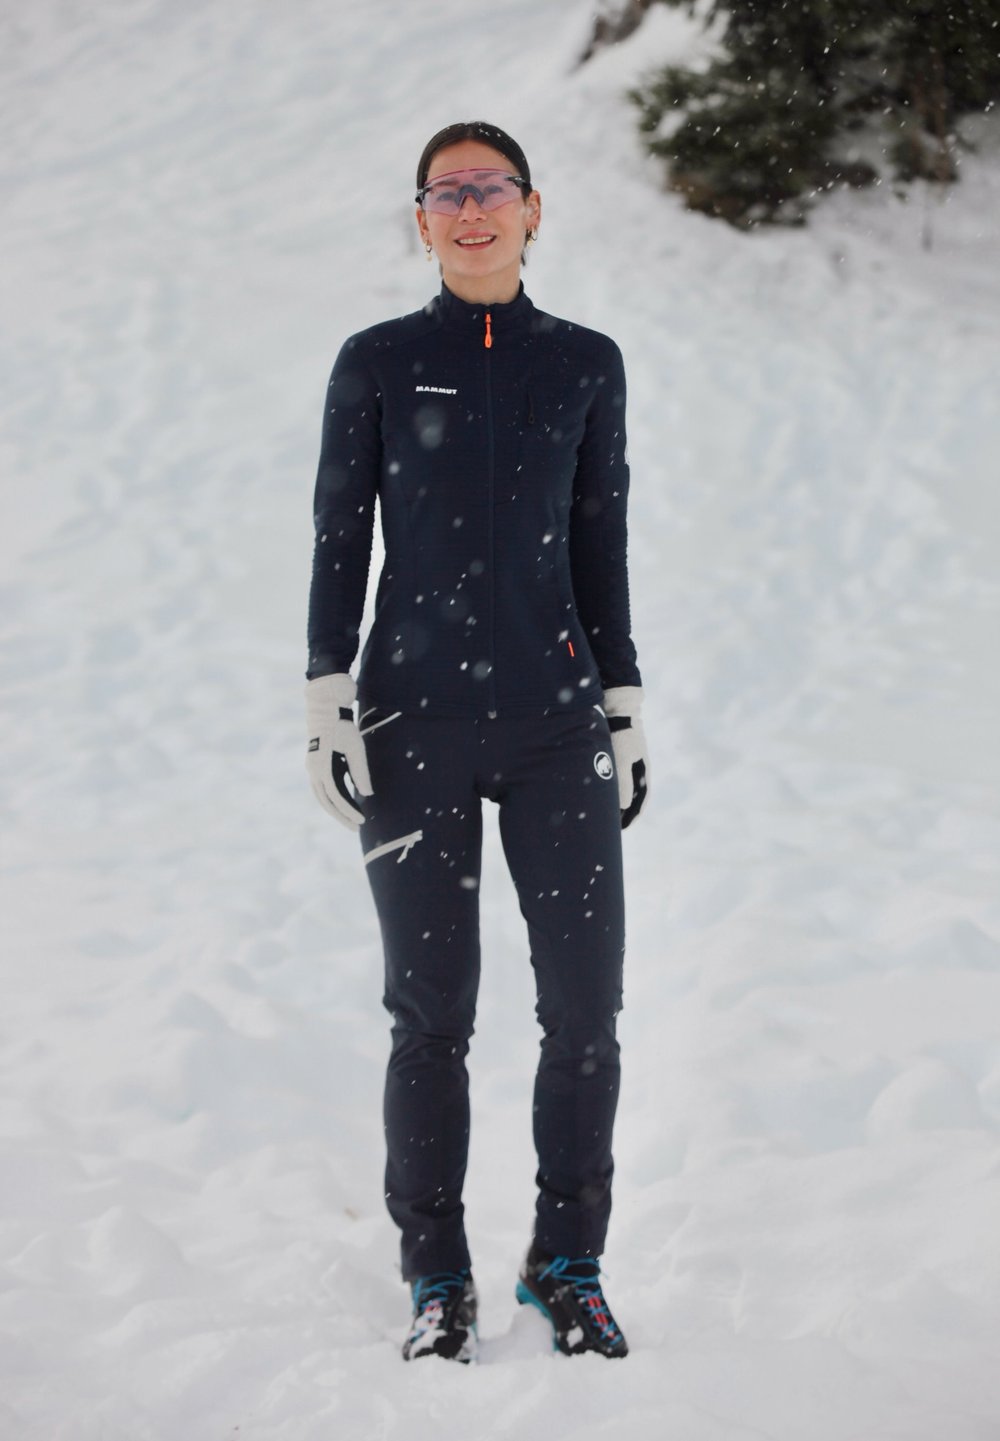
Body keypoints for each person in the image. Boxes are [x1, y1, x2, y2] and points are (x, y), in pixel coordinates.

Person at [305, 120, 649, 1363]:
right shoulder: (381, 361)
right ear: (422, 222)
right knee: (430, 1015)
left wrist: (622, 695)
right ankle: (436, 1275)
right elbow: (340, 529)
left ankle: (567, 1262)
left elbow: (600, 536)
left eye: (489, 187)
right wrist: (326, 686)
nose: (469, 208)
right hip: (414, 722)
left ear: (531, 209)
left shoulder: (585, 363)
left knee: (586, 1011)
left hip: (558, 722)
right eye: (445, 192)